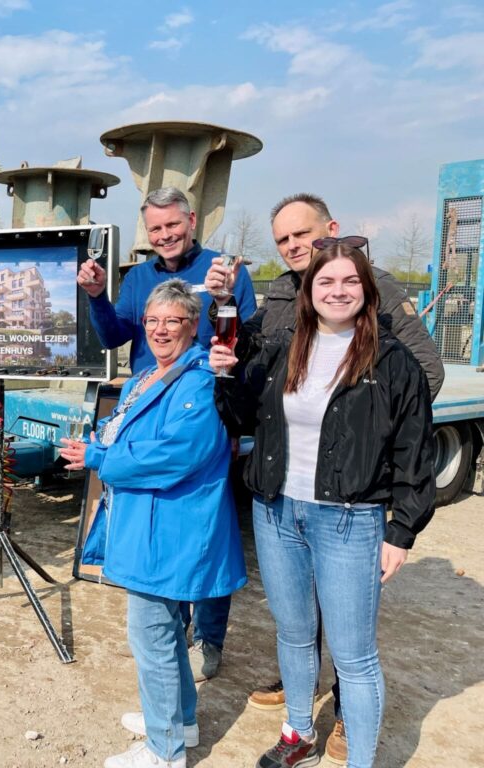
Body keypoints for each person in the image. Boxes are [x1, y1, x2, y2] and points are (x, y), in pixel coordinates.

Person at [205, 193, 444, 763]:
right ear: (308, 292)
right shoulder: (288, 347)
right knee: (292, 633)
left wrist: (401, 531)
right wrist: (225, 376)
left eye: (349, 282)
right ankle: (299, 734)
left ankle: (359, 757)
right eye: (325, 282)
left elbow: (415, 449)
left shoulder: (393, 360)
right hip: (277, 512)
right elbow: (242, 413)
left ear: (367, 290)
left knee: (354, 655)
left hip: (349, 519)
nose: (337, 291)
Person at [60, 279, 247, 768]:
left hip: (171, 529)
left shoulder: (200, 381)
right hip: (147, 523)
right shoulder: (147, 376)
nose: (161, 330)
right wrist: (96, 443)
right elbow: (124, 433)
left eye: (173, 321)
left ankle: (165, 751)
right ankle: (180, 721)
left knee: (152, 636)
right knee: (163, 632)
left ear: (194, 326)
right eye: (152, 321)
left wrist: (100, 457)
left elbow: (176, 455)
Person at [78, 185, 257, 682]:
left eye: (172, 225)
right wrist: (97, 297)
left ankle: (208, 638)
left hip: (205, 416)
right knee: (161, 535)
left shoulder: (224, 270)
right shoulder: (139, 278)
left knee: (204, 534)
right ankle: (170, 635)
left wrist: (223, 299)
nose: (164, 235)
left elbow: (249, 341)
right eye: (155, 228)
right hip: (151, 412)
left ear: (192, 221)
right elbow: (115, 335)